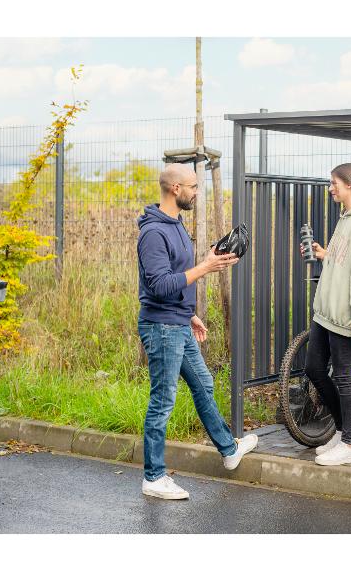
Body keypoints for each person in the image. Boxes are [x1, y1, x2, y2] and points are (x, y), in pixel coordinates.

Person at [137, 163, 257, 500]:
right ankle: (154, 477)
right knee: (163, 401)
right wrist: (205, 267)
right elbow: (159, 285)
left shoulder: (175, 224)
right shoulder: (153, 233)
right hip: (161, 328)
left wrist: (189, 313)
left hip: (177, 322)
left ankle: (228, 451)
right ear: (175, 189)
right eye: (192, 186)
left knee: (204, 383)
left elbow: (178, 274)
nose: (196, 192)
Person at [303, 163, 351, 466]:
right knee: (314, 369)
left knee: (345, 379)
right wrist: (324, 254)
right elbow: (346, 259)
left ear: (349, 184)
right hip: (326, 312)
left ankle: (349, 444)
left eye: (334, 183)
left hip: (347, 314)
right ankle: (344, 431)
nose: (330, 188)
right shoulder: (346, 218)